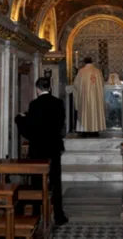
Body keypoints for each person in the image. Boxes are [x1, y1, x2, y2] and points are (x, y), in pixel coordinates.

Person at [15, 77, 68, 225]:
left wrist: (19, 119)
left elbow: (31, 129)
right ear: (49, 88)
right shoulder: (58, 103)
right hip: (54, 147)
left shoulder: (34, 104)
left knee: (37, 180)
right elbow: (60, 123)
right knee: (56, 180)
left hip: (38, 148)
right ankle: (58, 215)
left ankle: (37, 212)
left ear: (37, 89)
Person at [73, 57, 106, 136]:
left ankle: (84, 131)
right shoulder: (98, 71)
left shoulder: (81, 71)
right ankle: (95, 131)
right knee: (95, 111)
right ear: (92, 62)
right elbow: (102, 83)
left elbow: (76, 84)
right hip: (96, 98)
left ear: (84, 62)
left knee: (85, 112)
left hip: (85, 98)